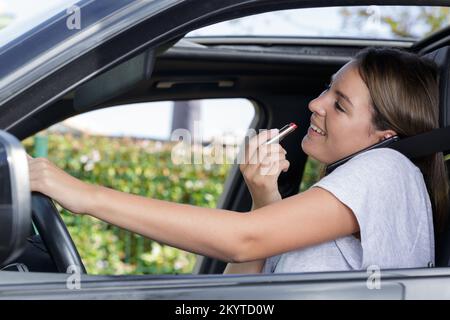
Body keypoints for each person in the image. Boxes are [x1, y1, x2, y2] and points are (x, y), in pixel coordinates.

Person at [27, 47, 449, 274]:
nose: (315, 103)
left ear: (386, 134)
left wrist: (83, 195)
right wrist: (264, 195)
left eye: (339, 105)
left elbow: (243, 239)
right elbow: (241, 293)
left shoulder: (385, 170)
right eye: (327, 88)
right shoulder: (356, 185)